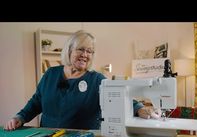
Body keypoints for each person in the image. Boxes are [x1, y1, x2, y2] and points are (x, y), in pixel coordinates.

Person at [4, 30, 161, 131]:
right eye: (81, 49)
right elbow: (36, 102)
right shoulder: (51, 74)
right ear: (70, 50)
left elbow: (118, 96)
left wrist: (140, 108)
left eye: (90, 51)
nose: (85, 54)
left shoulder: (96, 79)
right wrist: (20, 117)